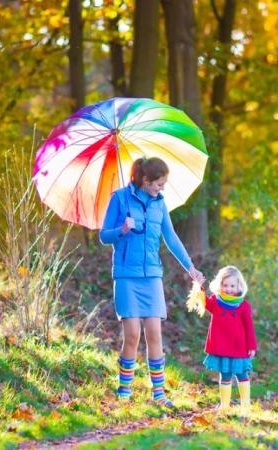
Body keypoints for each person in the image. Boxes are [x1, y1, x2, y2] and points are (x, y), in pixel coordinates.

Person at [99, 157, 205, 407]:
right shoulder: (120, 199)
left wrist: (190, 268)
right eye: (159, 184)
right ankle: (124, 392)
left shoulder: (159, 204)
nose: (162, 188)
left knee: (155, 334)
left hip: (152, 277)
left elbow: (171, 238)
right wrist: (122, 229)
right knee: (133, 335)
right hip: (126, 276)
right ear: (145, 180)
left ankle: (159, 395)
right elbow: (104, 235)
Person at [193, 266, 258, 413]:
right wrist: (198, 287)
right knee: (225, 374)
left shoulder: (243, 306)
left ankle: (245, 405)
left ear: (239, 286)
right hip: (222, 347)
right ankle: (224, 405)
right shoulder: (216, 302)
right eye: (225, 285)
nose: (228, 289)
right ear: (219, 285)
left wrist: (251, 346)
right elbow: (205, 302)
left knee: (242, 374)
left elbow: (249, 328)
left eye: (232, 286)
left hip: (239, 347)